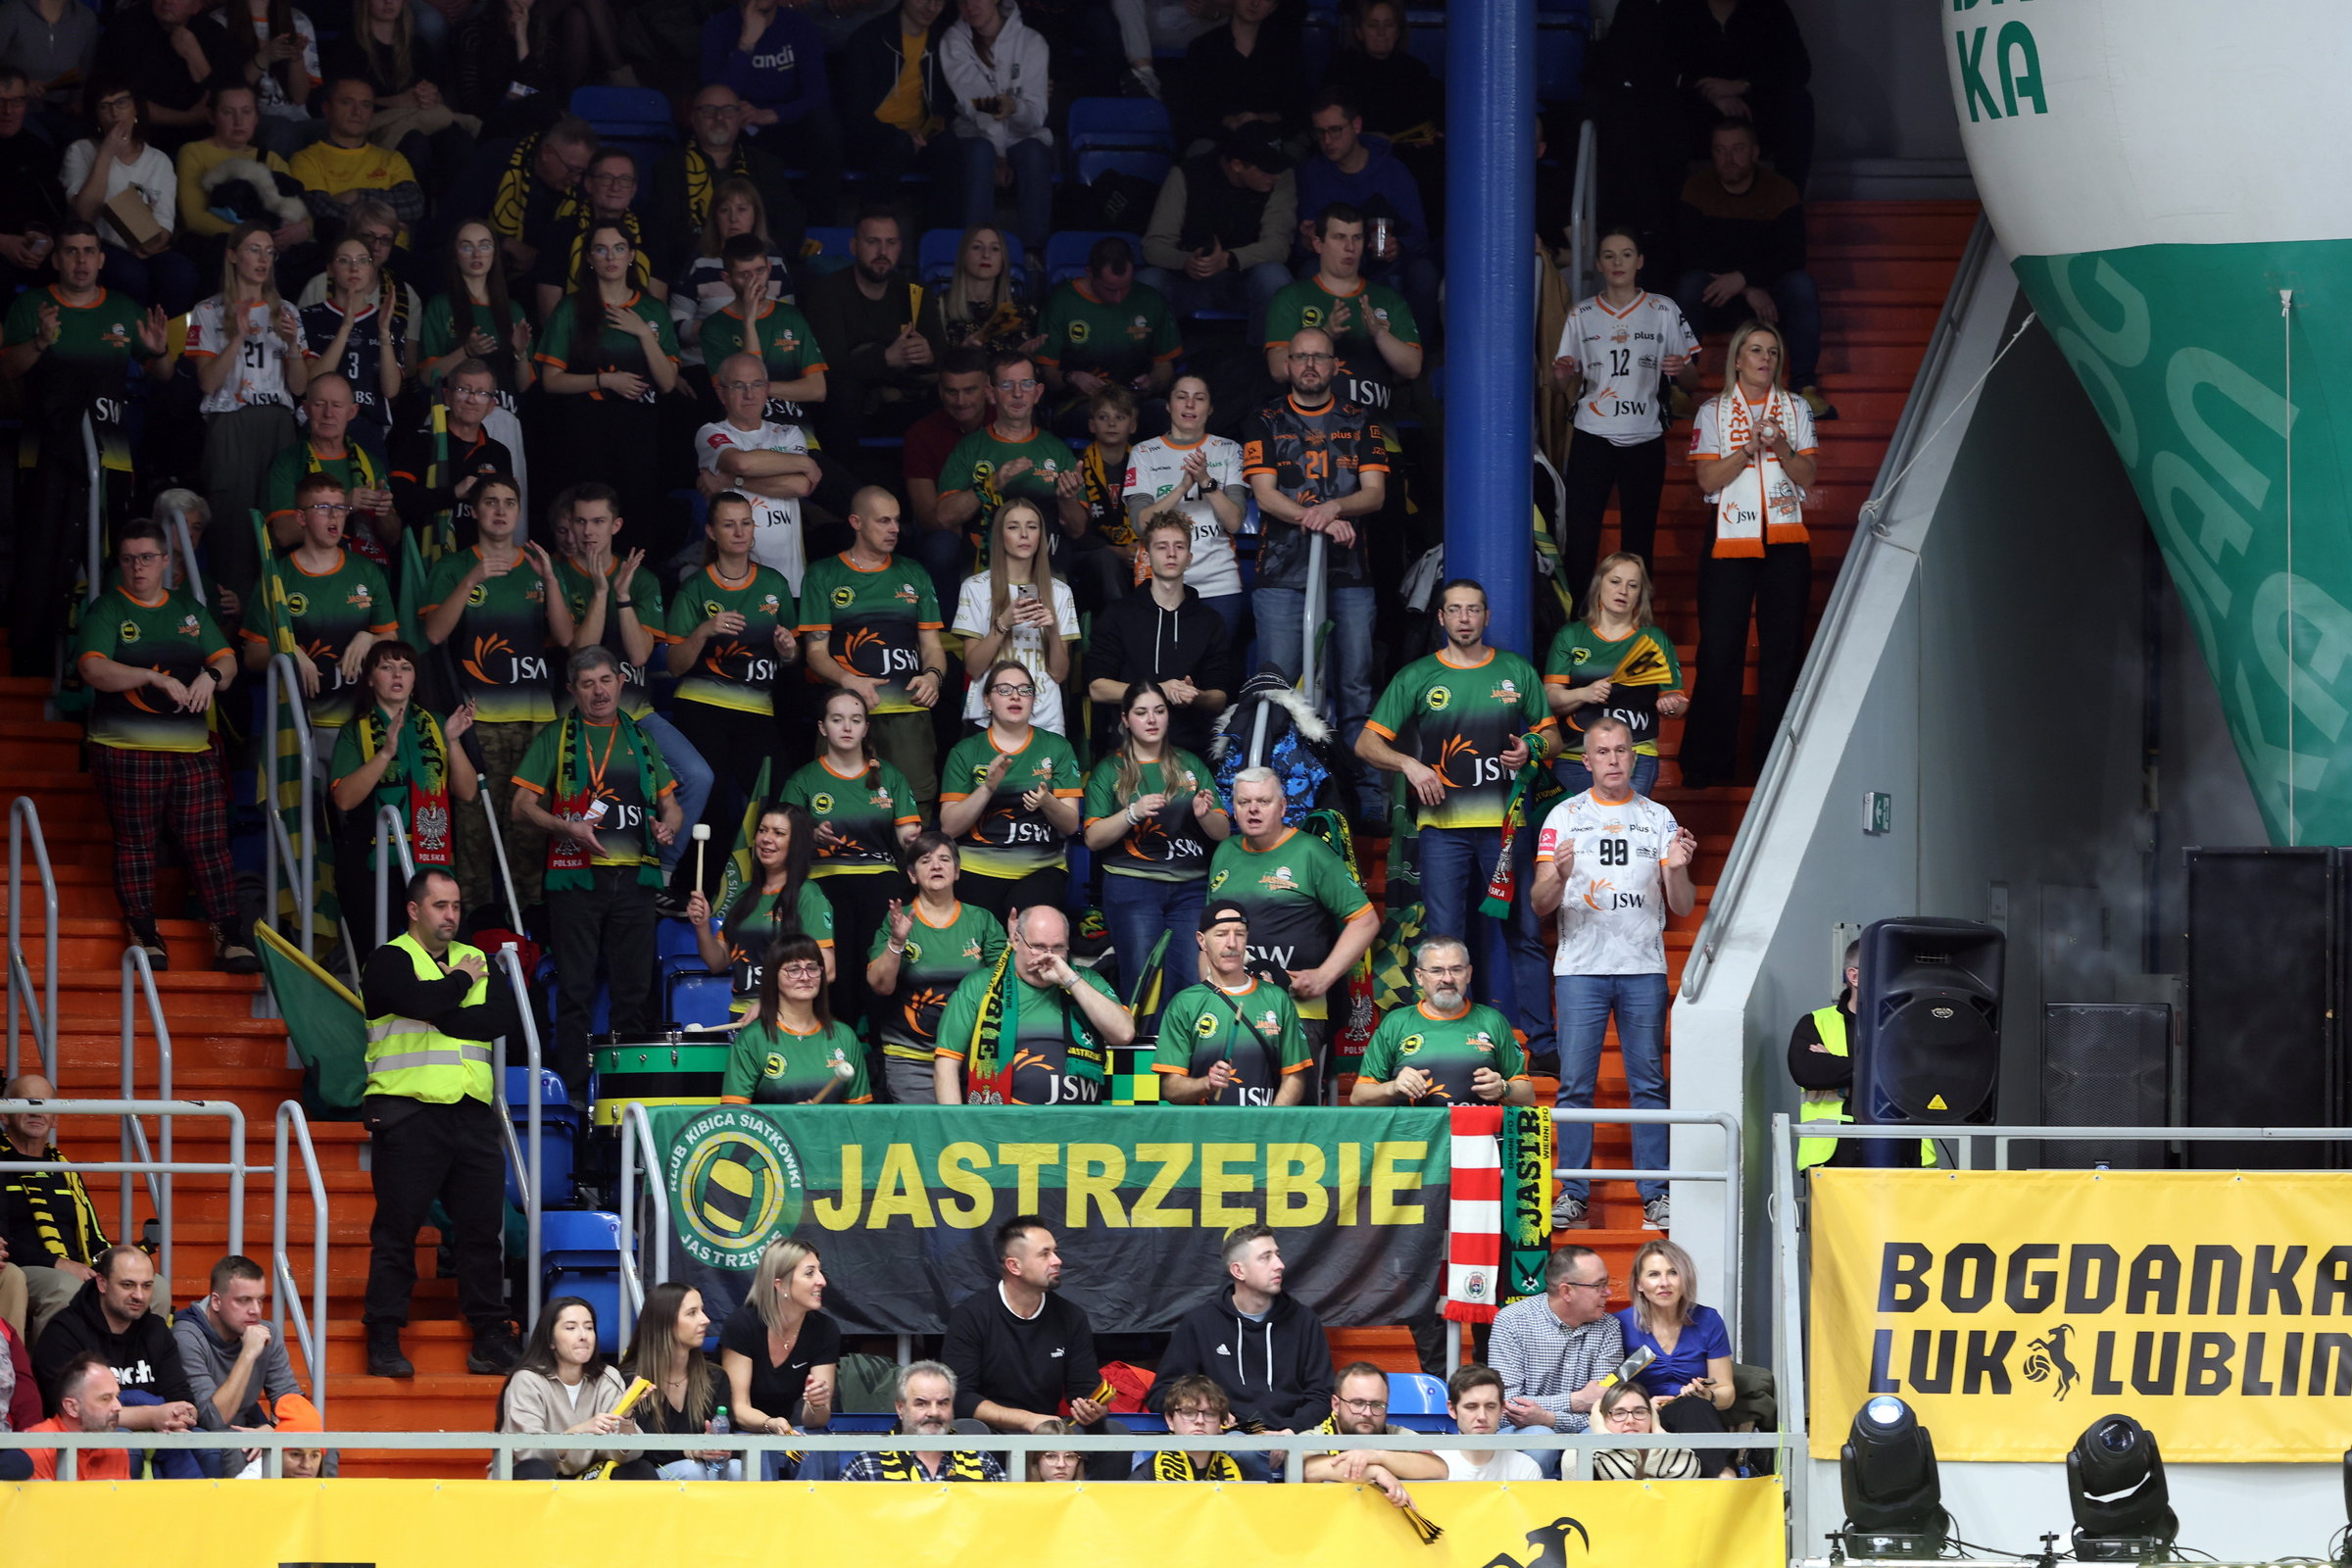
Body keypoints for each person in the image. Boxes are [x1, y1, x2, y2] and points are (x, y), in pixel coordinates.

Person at [1358, 577, 1555, 1049]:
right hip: (1442, 831)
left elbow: (1553, 735)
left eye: (1473, 609)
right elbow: (1366, 743)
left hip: (1506, 831)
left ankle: (1544, 1044)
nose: (1465, 618)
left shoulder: (1515, 670)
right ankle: (1449, 1042)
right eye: (1455, 610)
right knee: (1444, 941)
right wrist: (1409, 764)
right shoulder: (1418, 675)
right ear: (1441, 618)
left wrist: (1530, 748)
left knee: (1525, 934)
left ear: (1487, 617)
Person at [73, 519, 258, 972]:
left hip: (192, 750)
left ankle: (228, 936)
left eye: (147, 558)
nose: (138, 567)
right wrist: (150, 677)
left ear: (164, 561)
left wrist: (211, 675)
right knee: (138, 844)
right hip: (124, 748)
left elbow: (227, 659)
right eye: (129, 559)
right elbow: (93, 669)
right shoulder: (108, 609)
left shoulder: (188, 609)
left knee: (210, 844)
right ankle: (144, 933)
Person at [358, 867, 521, 1378]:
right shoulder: (390, 959)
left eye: (456, 906)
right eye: (440, 905)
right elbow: (418, 1002)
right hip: (408, 1111)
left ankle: (489, 1336)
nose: (451, 915)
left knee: (481, 1234)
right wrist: (460, 984)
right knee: (398, 1231)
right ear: (414, 909)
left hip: (471, 1113)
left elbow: (502, 1020)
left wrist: (442, 1008)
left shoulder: (477, 959)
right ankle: (383, 1335)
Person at [1533, 714, 1694, 1228]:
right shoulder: (1563, 816)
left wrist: (1678, 868)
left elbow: (1683, 905)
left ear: (1634, 756)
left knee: (1648, 1084)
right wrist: (1558, 876)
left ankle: (1656, 1195)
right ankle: (1573, 1194)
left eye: (1621, 750)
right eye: (1602, 752)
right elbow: (1539, 904)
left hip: (1643, 968)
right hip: (1580, 969)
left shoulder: (1659, 817)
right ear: (1586, 761)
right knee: (1574, 1085)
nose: (1613, 760)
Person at [512, 646, 685, 1092]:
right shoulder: (556, 736)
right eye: (587, 684)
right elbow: (520, 806)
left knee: (634, 989)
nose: (599, 691)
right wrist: (566, 827)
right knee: (575, 988)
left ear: (621, 682)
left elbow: (671, 806)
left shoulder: (640, 737)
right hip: (577, 877)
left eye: (606, 680)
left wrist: (666, 826)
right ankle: (574, 1089)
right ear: (573, 690)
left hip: (636, 878)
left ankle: (625, 1089)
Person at [2, 220, 172, 664]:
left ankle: (101, 655)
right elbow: (7, 372)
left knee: (104, 551)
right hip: (44, 450)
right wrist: (40, 342)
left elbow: (164, 375)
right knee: (41, 549)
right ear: (57, 260)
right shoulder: (31, 306)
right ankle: (34, 656)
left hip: (109, 451)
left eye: (89, 251)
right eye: (71, 251)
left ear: (101, 259)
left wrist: (158, 351)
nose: (81, 260)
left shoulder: (124, 308)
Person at [1242, 324, 1390, 818]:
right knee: (1280, 689)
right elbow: (1265, 496)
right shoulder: (1264, 418)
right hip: (1281, 572)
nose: (1309, 365)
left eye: (1319, 357)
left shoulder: (1361, 419)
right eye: (1301, 356)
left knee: (1355, 687)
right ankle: (1282, 798)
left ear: (1334, 365)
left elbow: (1374, 493)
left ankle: (1367, 797)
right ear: (1287, 365)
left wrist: (1334, 509)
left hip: (1350, 573)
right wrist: (1321, 518)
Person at [548, 481, 710, 890]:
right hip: (581, 718)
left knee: (697, 775)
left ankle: (664, 874)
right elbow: (580, 652)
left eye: (598, 521)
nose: (588, 531)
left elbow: (639, 655)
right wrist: (600, 590)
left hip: (638, 713)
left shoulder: (640, 578)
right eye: (580, 521)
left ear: (615, 525)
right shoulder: (558, 574)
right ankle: (586, 882)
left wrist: (621, 597)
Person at [1679, 317, 1817, 790]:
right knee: (1720, 649)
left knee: (1784, 650)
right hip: (1728, 539)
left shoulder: (1796, 408)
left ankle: (1774, 761)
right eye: (1756, 350)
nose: (1765, 359)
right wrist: (1747, 449)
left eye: (1772, 352)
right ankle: (1707, 762)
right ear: (1737, 359)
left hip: (1785, 542)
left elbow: (1808, 475)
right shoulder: (1713, 412)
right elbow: (1706, 479)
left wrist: (1780, 445)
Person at [418, 474, 565, 916]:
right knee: (476, 832)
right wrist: (472, 579)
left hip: (537, 719)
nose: (500, 511)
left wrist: (552, 580)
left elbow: (566, 638)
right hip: (478, 721)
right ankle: (474, 926)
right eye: (491, 502)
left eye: (509, 503)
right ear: (475, 510)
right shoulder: (453, 567)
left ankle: (528, 930)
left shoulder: (539, 564)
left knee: (531, 831)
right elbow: (433, 634)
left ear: (519, 511)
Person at [1206, 767, 1377, 1091]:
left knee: (1294, 1111)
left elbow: (1365, 920)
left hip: (1297, 1010)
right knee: (1234, 1104)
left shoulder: (1311, 852)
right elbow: (1208, 935)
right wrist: (1208, 994)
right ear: (1233, 808)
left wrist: (1325, 975)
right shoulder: (1225, 852)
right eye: (1243, 802)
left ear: (1283, 806)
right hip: (1233, 1007)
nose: (1253, 810)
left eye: (1263, 801)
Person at [1548, 227, 1699, 591]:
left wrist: (1681, 369)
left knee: (1640, 539)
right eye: (1609, 255)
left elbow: (1692, 381)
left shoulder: (1663, 309)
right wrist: (1560, 376)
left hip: (1645, 435)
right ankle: (1579, 617)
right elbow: (1560, 384)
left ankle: (1637, 617)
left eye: (1627, 254)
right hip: (1592, 433)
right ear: (1599, 264)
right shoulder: (1582, 314)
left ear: (1640, 262)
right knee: (1581, 536)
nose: (1618, 262)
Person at [661, 491, 801, 840]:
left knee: (777, 797)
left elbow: (793, 656)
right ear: (711, 531)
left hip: (757, 711)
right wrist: (704, 631)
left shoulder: (774, 583)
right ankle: (704, 875)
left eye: (746, 523)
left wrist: (787, 650)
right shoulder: (695, 587)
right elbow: (675, 665)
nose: (739, 532)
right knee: (713, 804)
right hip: (703, 709)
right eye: (728, 525)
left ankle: (770, 873)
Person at [782, 687, 923, 1029]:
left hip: (880, 880)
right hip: (824, 884)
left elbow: (908, 836)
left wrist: (915, 841)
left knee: (879, 961)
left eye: (856, 720)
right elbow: (780, 839)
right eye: (837, 719)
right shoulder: (803, 779)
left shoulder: (890, 776)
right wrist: (809, 834)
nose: (847, 727)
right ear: (822, 727)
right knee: (838, 969)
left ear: (865, 728)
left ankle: (880, 1042)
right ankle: (840, 1040)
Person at [534, 220, 680, 546]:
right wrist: (606, 380)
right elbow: (551, 381)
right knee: (585, 522)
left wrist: (643, 333)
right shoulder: (570, 308)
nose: (611, 257)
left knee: (635, 522)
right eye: (601, 249)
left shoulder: (652, 310)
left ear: (631, 255)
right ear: (589, 258)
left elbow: (668, 383)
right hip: (584, 433)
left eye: (618, 248)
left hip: (638, 435)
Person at [329, 639, 479, 947]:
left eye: (405, 668)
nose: (397, 675)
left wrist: (452, 741)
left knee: (447, 951)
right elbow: (344, 799)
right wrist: (385, 752)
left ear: (414, 679)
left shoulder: (437, 724)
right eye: (386, 667)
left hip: (431, 859)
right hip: (374, 861)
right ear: (370, 679)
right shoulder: (355, 730)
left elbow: (467, 792)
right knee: (381, 951)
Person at [185, 220, 309, 595]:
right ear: (232, 255)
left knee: (280, 517)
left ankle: (276, 608)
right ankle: (231, 612)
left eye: (270, 252)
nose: (263, 259)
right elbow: (207, 382)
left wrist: (292, 346)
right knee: (233, 521)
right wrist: (237, 337)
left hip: (278, 421)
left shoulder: (286, 311)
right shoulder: (208, 310)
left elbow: (299, 387)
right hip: (231, 422)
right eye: (254, 249)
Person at [1674, 118, 1826, 417]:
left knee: (1801, 285)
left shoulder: (1780, 190)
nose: (1728, 158)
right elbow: (1691, 253)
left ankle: (1805, 387)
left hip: (1768, 299)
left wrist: (1745, 279)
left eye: (1737, 149)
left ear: (1755, 152)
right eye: (1720, 150)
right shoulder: (1697, 189)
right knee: (1690, 283)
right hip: (1718, 294)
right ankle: (1678, 388)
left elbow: (1792, 255)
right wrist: (1745, 288)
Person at [1086, 682, 1228, 992]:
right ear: (1126, 719)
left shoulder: (1191, 763)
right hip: (1132, 885)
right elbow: (1093, 839)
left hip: (1190, 888)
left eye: (1159, 711)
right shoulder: (1110, 769)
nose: (1151, 719)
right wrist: (1132, 813)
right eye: (1141, 712)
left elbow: (1223, 832)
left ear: (1168, 716)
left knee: (1193, 981)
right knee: (1144, 984)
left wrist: (1204, 815)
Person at [240, 470, 397, 747]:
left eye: (340, 507)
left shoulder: (367, 571)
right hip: (302, 725)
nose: (334, 516)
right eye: (323, 507)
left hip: (363, 721)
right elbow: (253, 655)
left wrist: (369, 638)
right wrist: (288, 653)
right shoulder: (277, 577)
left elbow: (392, 640)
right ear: (301, 518)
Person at [935, 906, 1133, 1103]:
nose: (1048, 956)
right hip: (1000, 1120)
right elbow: (946, 1065)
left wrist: (1069, 979)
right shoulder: (978, 985)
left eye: (1058, 947)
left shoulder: (1087, 981)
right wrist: (955, 1121)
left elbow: (1123, 1034)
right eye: (1038, 946)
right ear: (1016, 940)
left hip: (1080, 1120)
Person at [866, 832, 1005, 1103]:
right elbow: (880, 986)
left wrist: (1017, 949)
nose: (936, 866)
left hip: (973, 1057)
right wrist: (896, 942)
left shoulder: (982, 920)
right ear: (912, 875)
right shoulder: (897, 921)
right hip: (911, 1057)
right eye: (925, 860)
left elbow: (1004, 985)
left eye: (944, 859)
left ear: (957, 871)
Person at [1152, 1223, 1328, 1435]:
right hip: (1228, 1439)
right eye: (1266, 1257)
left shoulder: (1304, 1321)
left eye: (1278, 1255)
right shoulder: (1200, 1324)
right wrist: (1211, 1413)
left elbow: (1322, 1395)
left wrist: (1291, 1431)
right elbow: (1163, 1393)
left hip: (1295, 1438)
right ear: (1238, 1271)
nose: (1279, 1265)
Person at [938, 661, 1082, 919]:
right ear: (987, 701)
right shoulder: (965, 751)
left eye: (1025, 690)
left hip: (1041, 869)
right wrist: (987, 788)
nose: (1016, 696)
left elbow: (1071, 825)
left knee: (1029, 921)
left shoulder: (1057, 747)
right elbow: (949, 827)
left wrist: (1047, 801)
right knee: (982, 936)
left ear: (1034, 700)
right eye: (1004, 690)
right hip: (976, 867)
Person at [1083, 516, 1232, 759]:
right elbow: (1098, 688)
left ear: (1189, 558)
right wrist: (1159, 690)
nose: (1171, 554)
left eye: (1179, 546)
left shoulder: (1210, 620)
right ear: (1147, 556)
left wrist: (1195, 695)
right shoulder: (1118, 614)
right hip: (1128, 749)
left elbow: (1219, 697)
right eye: (1162, 547)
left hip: (1191, 751)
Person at [1544, 552, 1686, 800]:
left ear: (1641, 594)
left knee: (1622, 822)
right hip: (1576, 753)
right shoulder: (1571, 635)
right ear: (1599, 584)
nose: (1623, 591)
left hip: (1634, 755)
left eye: (1633, 585)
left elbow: (1678, 704)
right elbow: (1549, 698)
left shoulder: (1654, 639)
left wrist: (1671, 705)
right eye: (1615, 581)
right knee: (1575, 824)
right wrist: (1584, 693)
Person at [943, 1217, 1104, 1433]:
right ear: (1014, 1266)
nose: (1057, 1261)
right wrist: (1027, 1420)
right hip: (990, 1433)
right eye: (1044, 1254)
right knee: (968, 1429)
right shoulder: (970, 1315)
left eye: (1055, 1252)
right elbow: (960, 1397)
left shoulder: (1071, 1317)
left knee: (1109, 1430)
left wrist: (1094, 1408)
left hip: (1048, 1433)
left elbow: (1084, 1389)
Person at [1291, 91, 1436, 330]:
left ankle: (1415, 350)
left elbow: (1419, 235)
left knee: (1423, 272)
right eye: (1320, 132)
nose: (1327, 140)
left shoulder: (1392, 171)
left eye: (1335, 130)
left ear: (1356, 125)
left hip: (1387, 264)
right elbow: (1301, 247)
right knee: (1309, 271)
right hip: (1337, 265)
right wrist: (1308, 242)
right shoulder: (1311, 174)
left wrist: (1398, 245)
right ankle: (1319, 349)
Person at [1264, 203, 1422, 417]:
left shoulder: (1387, 298)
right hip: (1309, 428)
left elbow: (1412, 368)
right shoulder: (1292, 297)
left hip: (1375, 429)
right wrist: (1325, 334)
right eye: (1339, 237)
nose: (1350, 247)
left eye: (1357, 238)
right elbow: (1278, 369)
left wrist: (1380, 334)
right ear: (1318, 244)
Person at [61, 78, 200, 313]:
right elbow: (85, 215)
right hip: (100, 246)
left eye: (122, 102)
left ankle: (164, 334)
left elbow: (165, 223)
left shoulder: (158, 160)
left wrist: (150, 245)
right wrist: (106, 152)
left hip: (148, 246)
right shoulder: (81, 151)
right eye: (105, 106)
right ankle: (129, 333)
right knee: (129, 274)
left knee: (181, 271)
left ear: (136, 108)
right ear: (96, 114)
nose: (114, 112)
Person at [1138, 127, 1297, 331]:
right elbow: (1154, 246)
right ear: (1237, 165)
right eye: (1267, 169)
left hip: (1244, 281)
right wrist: (1187, 262)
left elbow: (1278, 246)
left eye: (1278, 167)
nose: (1275, 175)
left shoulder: (1281, 177)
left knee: (1273, 276)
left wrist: (1229, 259)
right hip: (1190, 281)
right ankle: (1161, 352)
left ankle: (1269, 351)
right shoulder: (1187, 174)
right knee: (1149, 281)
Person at [1123, 375, 1247, 638]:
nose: (1190, 405)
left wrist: (1206, 482)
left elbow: (1235, 522)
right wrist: (1181, 488)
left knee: (1218, 662)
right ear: (1168, 406)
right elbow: (1140, 525)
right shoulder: (1144, 453)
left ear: (1210, 408)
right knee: (1164, 662)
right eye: (1181, 397)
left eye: (1199, 398)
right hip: (1159, 582)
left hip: (1219, 582)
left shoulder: (1228, 449)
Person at [803, 206, 933, 453]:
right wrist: (885, 359)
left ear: (900, 247)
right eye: (873, 242)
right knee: (843, 393)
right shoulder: (827, 293)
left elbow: (940, 355)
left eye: (890, 242)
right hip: (845, 405)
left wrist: (928, 355)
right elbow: (828, 369)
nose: (883, 252)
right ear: (854, 247)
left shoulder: (914, 292)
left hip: (901, 397)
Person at [688, 805, 837, 1020]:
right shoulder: (743, 894)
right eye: (762, 830)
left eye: (779, 833)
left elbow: (827, 970)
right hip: (740, 1014)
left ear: (796, 843)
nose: (766, 839)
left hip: (787, 1017)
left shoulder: (808, 895)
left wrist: (771, 1003)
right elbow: (717, 962)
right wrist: (701, 925)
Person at [1488, 1246, 1624, 1479]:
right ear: (1566, 1291)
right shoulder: (1512, 1322)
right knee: (1540, 1438)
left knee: (1600, 1436)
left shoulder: (1608, 1328)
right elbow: (1506, 1406)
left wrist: (1550, 1418)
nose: (1608, 1292)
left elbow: (1605, 1410)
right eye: (1598, 1285)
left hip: (1583, 1430)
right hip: (1521, 1434)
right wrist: (1576, 1401)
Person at [1152, 902, 1307, 1104]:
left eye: (1239, 934)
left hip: (1262, 1124)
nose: (1232, 943)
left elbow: (1294, 1077)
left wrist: (1271, 1119)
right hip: (1206, 1125)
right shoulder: (1184, 1004)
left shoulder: (1277, 998)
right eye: (1221, 934)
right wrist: (1207, 1083)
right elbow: (1171, 1088)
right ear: (1202, 941)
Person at [936, 349, 1085, 560]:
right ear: (991, 393)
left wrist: (1067, 499)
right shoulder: (969, 447)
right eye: (1007, 384)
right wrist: (991, 484)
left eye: (1027, 384)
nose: (1018, 393)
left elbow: (1077, 530)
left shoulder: (1057, 450)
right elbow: (944, 518)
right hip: (985, 568)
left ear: (1038, 393)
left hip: (1046, 567)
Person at [647, 82, 802, 283]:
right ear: (693, 118)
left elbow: (788, 228)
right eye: (709, 111)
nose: (719, 118)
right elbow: (662, 237)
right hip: (690, 272)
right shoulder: (669, 167)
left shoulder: (767, 165)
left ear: (739, 118)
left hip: (757, 269)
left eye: (728, 111)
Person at [1353, 936, 1535, 1106]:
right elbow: (1359, 1097)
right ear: (1419, 976)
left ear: (1468, 974)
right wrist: (1392, 1087)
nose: (1447, 979)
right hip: (1414, 1130)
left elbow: (1527, 1097)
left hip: (1477, 1129)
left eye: (1456, 970)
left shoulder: (1492, 1020)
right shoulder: (1396, 1022)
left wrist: (1503, 1088)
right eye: (1437, 970)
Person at [703, 0, 841, 220]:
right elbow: (714, 98)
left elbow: (817, 94)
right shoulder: (718, 28)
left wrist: (774, 114)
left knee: (824, 127)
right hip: (743, 129)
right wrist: (746, 43)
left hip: (789, 124)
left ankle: (822, 227)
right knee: (719, 123)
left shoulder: (799, 26)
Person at [320, 0, 477, 191]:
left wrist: (431, 96)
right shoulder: (347, 46)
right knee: (414, 143)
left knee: (458, 141)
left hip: (423, 120)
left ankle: (453, 208)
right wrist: (397, 102)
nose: (389, 2)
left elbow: (439, 92)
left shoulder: (418, 46)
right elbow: (341, 102)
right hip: (378, 126)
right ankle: (415, 207)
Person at [953, 498, 1078, 735]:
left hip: (1045, 719)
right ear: (1000, 536)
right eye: (1013, 527)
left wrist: (1052, 631)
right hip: (988, 718)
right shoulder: (975, 587)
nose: (1024, 534)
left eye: (1032, 526)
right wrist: (1003, 623)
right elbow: (974, 667)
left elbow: (1059, 674)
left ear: (1041, 535)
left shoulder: (1060, 592)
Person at [32, 1245, 199, 1423]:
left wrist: (184, 1415)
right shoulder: (64, 1331)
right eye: (127, 1285)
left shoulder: (156, 1329)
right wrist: (151, 1416)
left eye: (147, 1286)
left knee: (201, 1437)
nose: (139, 1295)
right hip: (89, 1436)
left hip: (161, 1430)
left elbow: (183, 1400)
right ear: (102, 1283)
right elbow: (74, 1412)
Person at [170, 1255, 304, 1477]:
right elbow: (212, 1420)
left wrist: (272, 1429)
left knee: (318, 1449)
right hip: (198, 1435)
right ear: (216, 1302)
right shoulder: (186, 1336)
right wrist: (248, 1354)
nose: (255, 1310)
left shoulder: (266, 1332)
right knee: (235, 1450)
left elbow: (294, 1404)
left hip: (247, 1428)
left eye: (260, 1300)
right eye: (244, 1300)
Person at [1665, 0, 1814, 194]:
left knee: (1799, 103)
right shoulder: (1677, 10)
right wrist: (1712, 95)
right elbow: (1661, 68)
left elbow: (1798, 67)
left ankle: (1788, 201)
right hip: (1698, 110)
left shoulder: (1769, 8)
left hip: (1754, 109)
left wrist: (1743, 86)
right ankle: (1673, 204)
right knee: (1663, 109)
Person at [0, 1079, 110, 1342]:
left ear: (56, 1118)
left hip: (71, 1268)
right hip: (22, 1268)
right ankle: (48, 1370)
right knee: (65, 1287)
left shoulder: (64, 1168)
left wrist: (113, 1261)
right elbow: (3, 1241)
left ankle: (129, 1367)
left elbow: (93, 1238)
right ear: (4, 1114)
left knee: (153, 1286)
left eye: (44, 1104)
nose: (36, 1111)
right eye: (27, 1102)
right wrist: (58, 1264)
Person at [414, 220, 533, 454]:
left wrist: (520, 353)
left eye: (484, 245)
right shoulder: (441, 306)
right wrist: (466, 352)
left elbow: (524, 384)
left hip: (502, 418)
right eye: (467, 246)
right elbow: (427, 376)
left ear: (495, 254)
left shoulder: (513, 309)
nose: (477, 254)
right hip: (452, 420)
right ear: (455, 255)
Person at [498, 1295, 648, 1481]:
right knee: (536, 1470)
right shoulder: (527, 1380)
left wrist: (626, 1418)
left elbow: (628, 1455)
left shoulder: (608, 1377)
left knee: (639, 1469)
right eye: (571, 1328)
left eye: (589, 1327)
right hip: (530, 1476)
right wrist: (577, 1432)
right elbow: (527, 1450)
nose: (583, 1336)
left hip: (586, 1478)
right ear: (550, 1340)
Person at [939, 0, 1052, 247]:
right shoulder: (954, 40)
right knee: (981, 152)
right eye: (963, 0)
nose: (970, 6)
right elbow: (979, 104)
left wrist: (1015, 107)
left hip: (1021, 135)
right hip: (976, 134)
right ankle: (974, 248)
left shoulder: (1032, 42)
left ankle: (1033, 253)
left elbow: (1036, 115)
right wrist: (999, 155)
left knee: (1035, 153)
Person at [718, 1238, 841, 1464]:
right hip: (748, 1430)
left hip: (794, 1429)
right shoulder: (742, 1325)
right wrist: (771, 1424)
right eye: (810, 1273)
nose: (822, 1281)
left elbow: (817, 1420)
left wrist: (816, 1404)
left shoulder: (825, 1329)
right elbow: (740, 1410)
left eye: (820, 1272)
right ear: (780, 1284)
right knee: (760, 1453)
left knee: (815, 1447)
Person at [1036, 235, 1179, 421]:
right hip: (1079, 403)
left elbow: (1164, 367)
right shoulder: (1062, 302)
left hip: (1135, 403)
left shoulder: (1150, 300)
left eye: (1125, 287)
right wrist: (1072, 378)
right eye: (1109, 289)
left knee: (1165, 415)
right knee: (1106, 420)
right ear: (1089, 273)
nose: (1118, 298)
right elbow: (1047, 374)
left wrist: (1152, 382)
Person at [260, 374, 396, 563]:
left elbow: (393, 537)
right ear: (306, 408)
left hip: (363, 570)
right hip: (308, 570)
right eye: (319, 404)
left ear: (352, 411)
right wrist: (344, 506)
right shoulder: (288, 462)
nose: (328, 414)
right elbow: (284, 534)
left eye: (337, 405)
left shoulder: (370, 464)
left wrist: (383, 511)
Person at [839, 0, 956, 214]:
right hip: (871, 139)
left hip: (920, 137)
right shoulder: (870, 37)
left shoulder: (942, 40)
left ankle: (940, 231)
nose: (931, 7)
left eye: (939, 1)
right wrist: (901, 134)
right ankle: (871, 220)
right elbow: (855, 114)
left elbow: (945, 107)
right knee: (899, 143)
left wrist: (926, 132)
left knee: (947, 144)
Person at [697, 235, 826, 425]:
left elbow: (817, 390)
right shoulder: (714, 327)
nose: (755, 281)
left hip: (794, 427)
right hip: (743, 430)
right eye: (744, 275)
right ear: (727, 279)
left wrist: (759, 388)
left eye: (760, 271)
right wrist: (749, 322)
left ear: (769, 268)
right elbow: (732, 396)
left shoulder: (790, 316)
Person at [668, 174, 793, 372]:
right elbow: (674, 324)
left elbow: (789, 322)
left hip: (765, 366)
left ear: (756, 214)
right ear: (715, 217)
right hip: (705, 365)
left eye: (742, 209)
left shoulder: (775, 262)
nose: (733, 219)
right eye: (724, 210)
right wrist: (713, 329)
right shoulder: (700, 263)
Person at [619, 1282, 737, 1481]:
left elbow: (729, 1434)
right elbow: (638, 1454)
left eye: (702, 1311)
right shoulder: (631, 1380)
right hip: (652, 1479)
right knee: (692, 1471)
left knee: (736, 1468)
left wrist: (719, 1448)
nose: (705, 1320)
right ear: (664, 1323)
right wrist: (690, 1450)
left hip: (707, 1471)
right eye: (692, 1313)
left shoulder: (715, 1377)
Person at [297, 232, 404, 449]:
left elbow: (391, 390)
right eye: (344, 260)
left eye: (363, 261)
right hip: (321, 424)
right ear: (330, 269)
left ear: (372, 269)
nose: (354, 268)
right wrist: (346, 327)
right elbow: (311, 382)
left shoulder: (389, 321)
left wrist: (384, 332)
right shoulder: (310, 317)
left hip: (369, 424)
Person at [172, 81, 307, 252]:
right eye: (228, 112)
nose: (239, 121)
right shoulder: (194, 152)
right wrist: (254, 238)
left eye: (247, 112)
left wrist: (304, 229)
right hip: (218, 245)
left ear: (256, 118)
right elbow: (194, 219)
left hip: (269, 247)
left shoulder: (271, 159)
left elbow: (298, 209)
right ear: (212, 117)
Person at [287, 77, 422, 246]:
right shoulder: (306, 160)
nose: (357, 112)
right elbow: (322, 212)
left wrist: (357, 195)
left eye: (366, 105)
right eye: (347, 102)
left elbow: (413, 205)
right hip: (341, 254)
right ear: (327, 109)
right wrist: (386, 223)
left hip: (395, 255)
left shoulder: (393, 159)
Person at [1172, 0, 1306, 150]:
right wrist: (1228, 121)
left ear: (1273, 7)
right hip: (1218, 141)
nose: (1255, 3)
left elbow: (1296, 107)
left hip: (1272, 140)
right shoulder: (1203, 48)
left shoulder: (1285, 51)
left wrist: (1261, 119)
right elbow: (1192, 109)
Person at [1300, 1360, 1444, 1499]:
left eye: (1377, 1405)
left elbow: (1439, 1469)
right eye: (1358, 1403)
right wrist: (1374, 1471)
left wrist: (1379, 1457)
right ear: (1336, 1405)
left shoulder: (1397, 1434)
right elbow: (1305, 1468)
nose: (1367, 1413)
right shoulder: (1313, 1438)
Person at [842, 1359, 1004, 1481]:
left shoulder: (983, 1464)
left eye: (942, 1403)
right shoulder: (865, 1468)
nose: (934, 1412)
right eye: (922, 1403)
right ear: (900, 1408)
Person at [480, 118, 593, 277]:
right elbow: (458, 218)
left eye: (582, 172)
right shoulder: (498, 158)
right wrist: (505, 243)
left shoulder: (582, 187)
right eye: (572, 169)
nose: (576, 179)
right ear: (547, 153)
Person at [915, 224, 1038, 363]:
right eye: (977, 247)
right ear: (963, 255)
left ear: (1003, 260)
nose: (986, 255)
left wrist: (1022, 356)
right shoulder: (937, 306)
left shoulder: (1021, 309)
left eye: (995, 249)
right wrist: (961, 352)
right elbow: (929, 366)